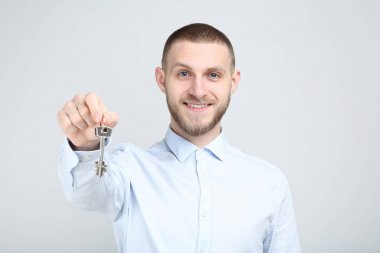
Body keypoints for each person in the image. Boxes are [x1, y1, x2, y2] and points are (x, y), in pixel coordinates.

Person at [57, 23, 301, 253]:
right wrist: (85, 145)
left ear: (233, 82)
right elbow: (87, 193)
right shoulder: (129, 170)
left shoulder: (269, 183)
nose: (198, 91)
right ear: (162, 80)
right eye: (184, 73)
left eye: (213, 75)